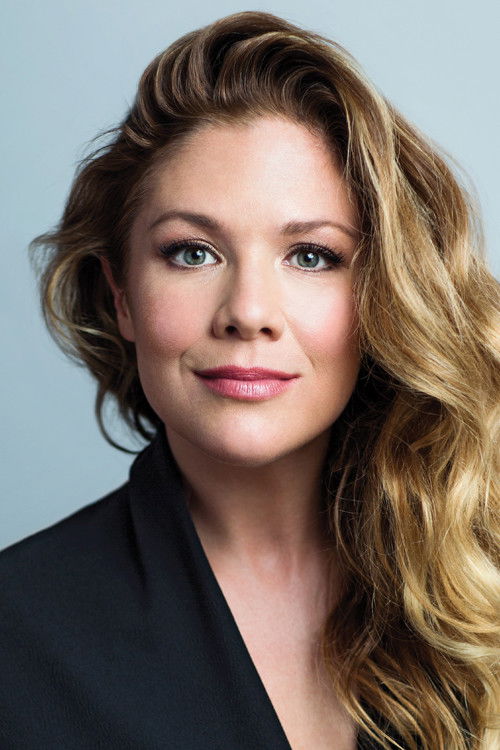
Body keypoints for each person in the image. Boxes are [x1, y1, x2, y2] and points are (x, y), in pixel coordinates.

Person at [0, 10, 498, 750]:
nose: (249, 313)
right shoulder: (17, 635)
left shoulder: (479, 574)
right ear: (122, 296)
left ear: (383, 295)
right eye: (192, 252)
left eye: (312, 256)